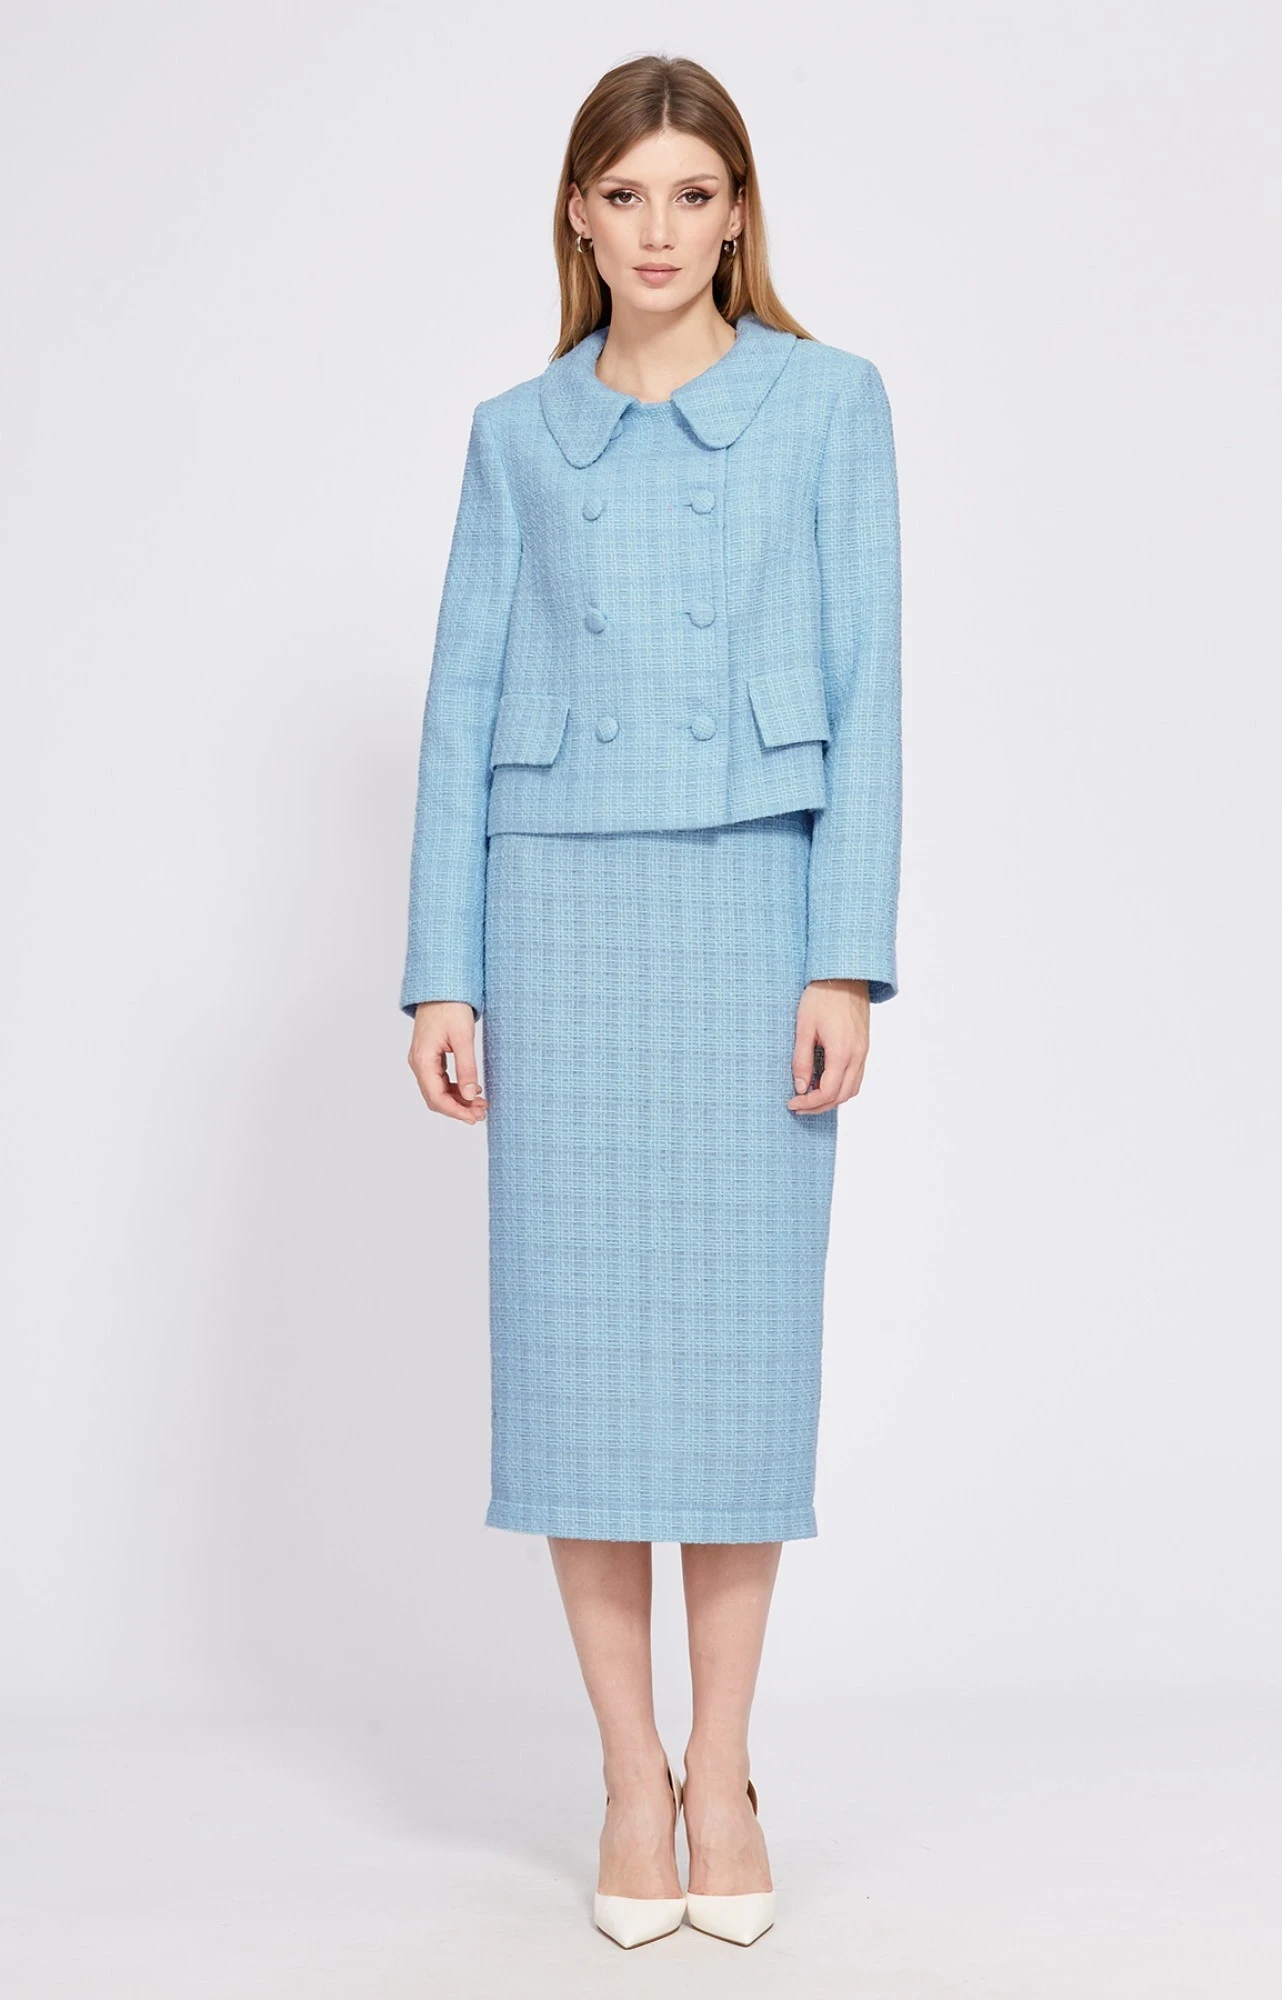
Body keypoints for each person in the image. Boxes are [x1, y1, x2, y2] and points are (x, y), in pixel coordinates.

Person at [400, 53, 902, 1950]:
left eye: (695, 193)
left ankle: (727, 1768)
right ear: (580, 217)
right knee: (582, 1367)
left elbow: (874, 686)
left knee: (740, 1364)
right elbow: (458, 704)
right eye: (628, 196)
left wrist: (844, 953)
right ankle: (629, 1779)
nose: (662, 229)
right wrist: (443, 970)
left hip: (754, 903)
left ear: (738, 211)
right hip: (561, 911)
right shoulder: (516, 434)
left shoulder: (830, 405)